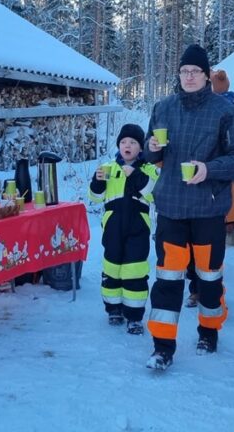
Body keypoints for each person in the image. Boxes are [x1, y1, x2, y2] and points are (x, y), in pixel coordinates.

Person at [143, 44, 234, 371]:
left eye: (196, 72)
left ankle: (208, 331)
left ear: (207, 75)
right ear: (179, 75)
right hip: (172, 206)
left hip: (208, 208)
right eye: (184, 71)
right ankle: (162, 347)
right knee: (167, 279)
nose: (189, 77)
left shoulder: (225, 112)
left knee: (208, 276)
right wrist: (151, 148)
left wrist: (208, 169)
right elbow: (151, 156)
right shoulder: (163, 108)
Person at [185, 68, 234, 308]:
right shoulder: (187, 111)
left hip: (214, 193)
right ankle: (197, 289)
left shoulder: (227, 113)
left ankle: (206, 295)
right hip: (188, 195)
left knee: (208, 251)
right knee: (193, 249)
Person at [88, 123, 158, 335]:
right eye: (123, 142)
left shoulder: (149, 169)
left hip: (138, 227)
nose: (127, 146)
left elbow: (154, 194)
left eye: (133, 142)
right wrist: (97, 182)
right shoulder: (109, 167)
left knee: (134, 270)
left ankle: (134, 316)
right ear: (119, 145)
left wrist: (134, 175)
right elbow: (95, 197)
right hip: (113, 227)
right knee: (112, 268)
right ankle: (113, 309)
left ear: (141, 148)